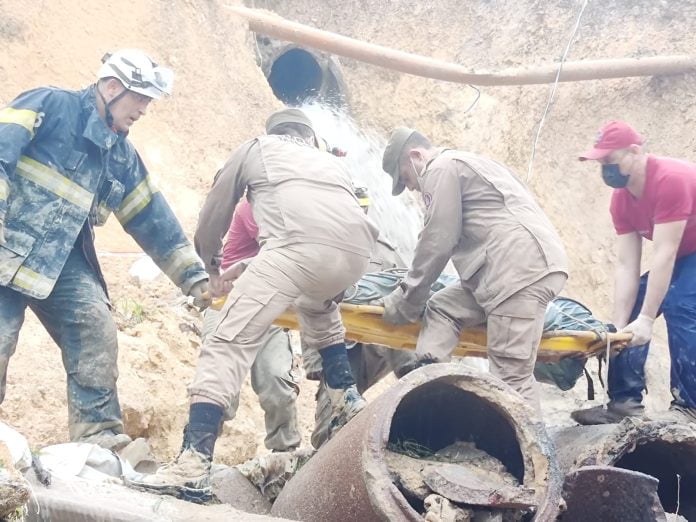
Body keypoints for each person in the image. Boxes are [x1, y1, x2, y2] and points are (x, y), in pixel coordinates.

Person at [132, 108, 378, 501]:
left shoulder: (257, 149)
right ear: (309, 137)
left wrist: (212, 265)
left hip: (296, 254)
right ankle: (346, 398)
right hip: (356, 256)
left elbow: (217, 210)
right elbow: (325, 231)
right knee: (319, 305)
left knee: (227, 341)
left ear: (274, 132)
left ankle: (193, 464)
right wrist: (249, 266)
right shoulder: (331, 164)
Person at [0, 49, 209, 450]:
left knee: (94, 328)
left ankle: (98, 440)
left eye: (149, 100)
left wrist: (195, 279)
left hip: (61, 261)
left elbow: (154, 221)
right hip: (7, 244)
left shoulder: (122, 157)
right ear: (112, 87)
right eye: (140, 97)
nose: (145, 110)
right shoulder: (49, 104)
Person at [379, 127, 568, 413]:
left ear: (416, 155)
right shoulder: (470, 162)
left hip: (515, 272)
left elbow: (438, 240)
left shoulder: (439, 169)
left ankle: (535, 456)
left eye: (405, 178)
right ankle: (429, 386)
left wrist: (404, 301)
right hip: (507, 270)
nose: (411, 188)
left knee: (510, 377)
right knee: (443, 308)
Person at [572, 120, 696, 425]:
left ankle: (689, 406)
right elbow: (628, 264)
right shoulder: (621, 200)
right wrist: (619, 325)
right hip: (684, 251)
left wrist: (647, 319)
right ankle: (624, 402)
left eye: (610, 160)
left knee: (680, 303)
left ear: (635, 151)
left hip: (684, 251)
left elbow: (664, 253)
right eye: (601, 162)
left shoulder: (670, 179)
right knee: (629, 314)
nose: (605, 168)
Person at [304, 189, 417, 448]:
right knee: (329, 422)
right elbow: (308, 307)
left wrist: (415, 364)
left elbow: (409, 299)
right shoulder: (317, 246)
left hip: (382, 342)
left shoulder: (386, 252)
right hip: (339, 346)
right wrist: (316, 364)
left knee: (414, 378)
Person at [201, 198, 301, 452]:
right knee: (219, 387)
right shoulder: (255, 206)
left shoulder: (292, 204)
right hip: (230, 305)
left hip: (270, 306)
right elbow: (285, 250)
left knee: (277, 382)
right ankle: (196, 453)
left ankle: (285, 457)